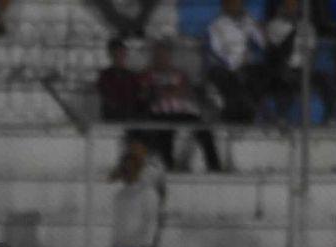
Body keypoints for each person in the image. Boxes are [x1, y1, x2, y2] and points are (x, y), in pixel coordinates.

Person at [141, 38, 222, 172]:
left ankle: (214, 166)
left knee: (203, 129)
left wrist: (167, 91)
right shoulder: (148, 74)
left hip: (181, 112)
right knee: (164, 132)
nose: (161, 58)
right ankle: (169, 166)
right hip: (159, 113)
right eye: (158, 55)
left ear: (169, 56)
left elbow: (185, 91)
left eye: (164, 54)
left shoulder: (179, 73)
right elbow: (150, 93)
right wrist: (169, 91)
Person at [263, 0, 333, 123]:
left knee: (327, 80)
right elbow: (276, 53)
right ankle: (281, 117)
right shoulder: (274, 26)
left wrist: (308, 67)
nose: (292, 9)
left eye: (295, 6)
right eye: (289, 6)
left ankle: (329, 117)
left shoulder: (307, 26)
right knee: (284, 80)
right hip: (285, 67)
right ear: (282, 8)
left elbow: (312, 51)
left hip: (304, 68)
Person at [107, 142, 160, 247]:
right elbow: (118, 224)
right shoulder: (120, 195)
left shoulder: (147, 192)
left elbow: (151, 220)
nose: (128, 171)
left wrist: (147, 246)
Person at [205, 0, 266, 123]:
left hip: (246, 65)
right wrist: (234, 63)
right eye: (233, 3)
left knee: (261, 75)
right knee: (231, 81)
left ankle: (251, 118)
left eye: (239, 3)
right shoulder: (216, 26)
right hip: (225, 67)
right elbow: (216, 51)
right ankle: (231, 119)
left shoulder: (248, 21)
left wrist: (256, 25)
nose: (237, 5)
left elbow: (263, 43)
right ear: (225, 5)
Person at [97, 37, 143, 122]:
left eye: (121, 53)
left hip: (131, 118)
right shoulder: (105, 76)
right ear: (111, 55)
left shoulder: (132, 76)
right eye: (116, 54)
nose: (119, 56)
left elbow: (138, 96)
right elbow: (108, 97)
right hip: (113, 119)